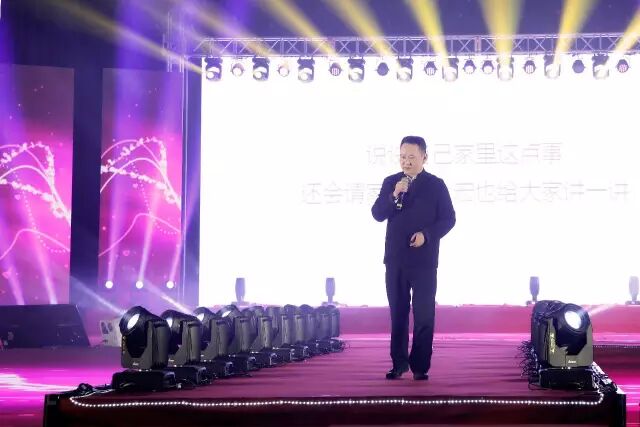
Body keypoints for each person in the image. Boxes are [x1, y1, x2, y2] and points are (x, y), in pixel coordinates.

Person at [371, 136, 456, 380]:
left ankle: (420, 366)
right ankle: (399, 364)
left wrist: (426, 235)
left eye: (411, 157)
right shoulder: (391, 182)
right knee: (398, 314)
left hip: (424, 262)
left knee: (424, 315)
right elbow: (377, 214)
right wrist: (394, 194)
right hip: (395, 259)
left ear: (424, 157)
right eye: (402, 157)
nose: (406, 162)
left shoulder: (436, 185)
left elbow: (449, 219)